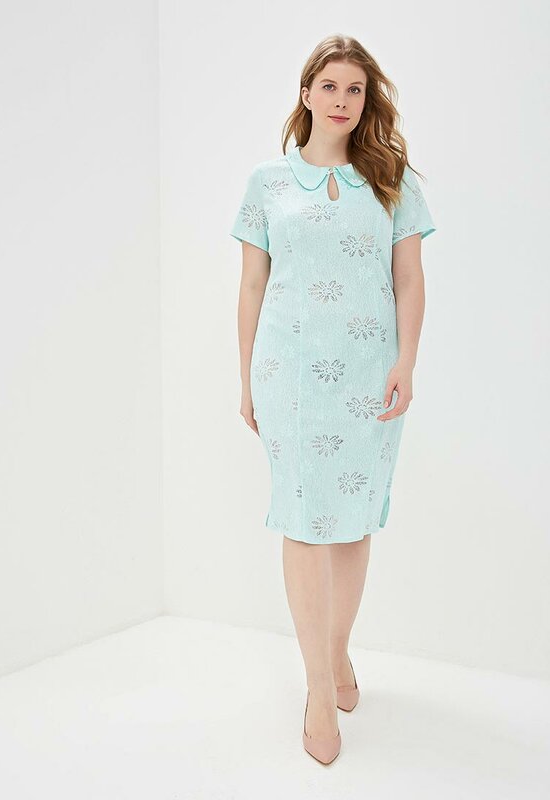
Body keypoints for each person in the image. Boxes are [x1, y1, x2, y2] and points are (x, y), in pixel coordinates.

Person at [229, 34, 436, 764]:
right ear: (307, 92)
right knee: (303, 520)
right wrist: (246, 374)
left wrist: (406, 360)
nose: (343, 101)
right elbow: (252, 284)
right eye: (330, 86)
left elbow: (408, 278)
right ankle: (319, 686)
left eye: (355, 89)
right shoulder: (267, 183)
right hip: (287, 374)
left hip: (368, 376)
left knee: (351, 523)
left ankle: (338, 650)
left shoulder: (393, 180)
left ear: (366, 100)